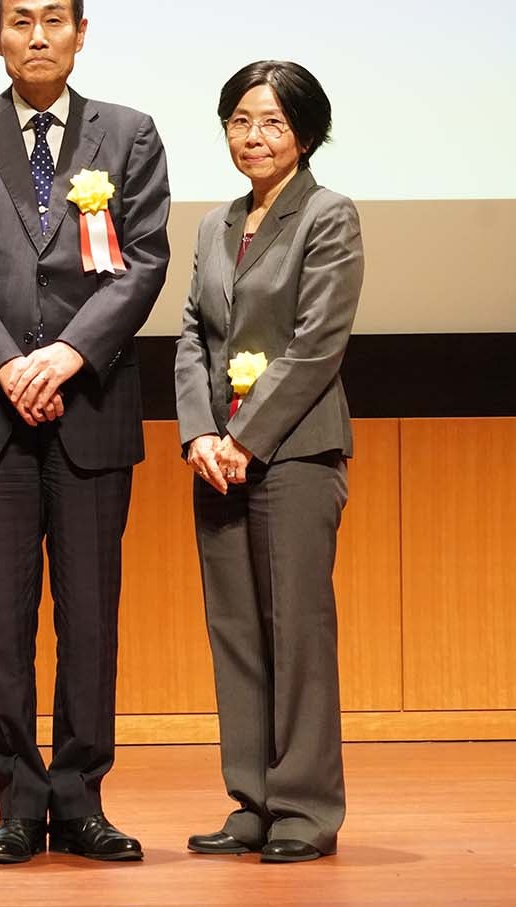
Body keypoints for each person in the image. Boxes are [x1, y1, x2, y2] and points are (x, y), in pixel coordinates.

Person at [0, 0, 171, 864]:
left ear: (80, 31)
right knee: (3, 618)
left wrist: (67, 354)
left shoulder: (131, 133)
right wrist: (9, 362)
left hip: (92, 404)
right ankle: (17, 802)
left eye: (54, 19)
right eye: (19, 20)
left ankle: (82, 797)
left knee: (91, 614)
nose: (37, 34)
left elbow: (144, 258)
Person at [175, 61, 362, 864]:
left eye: (274, 122)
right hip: (217, 456)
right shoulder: (216, 223)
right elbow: (191, 333)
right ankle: (251, 797)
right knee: (237, 630)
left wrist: (247, 437)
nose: (254, 136)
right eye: (241, 120)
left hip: (294, 452)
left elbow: (317, 341)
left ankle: (304, 807)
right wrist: (197, 434)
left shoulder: (329, 215)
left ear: (307, 133)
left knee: (297, 629)